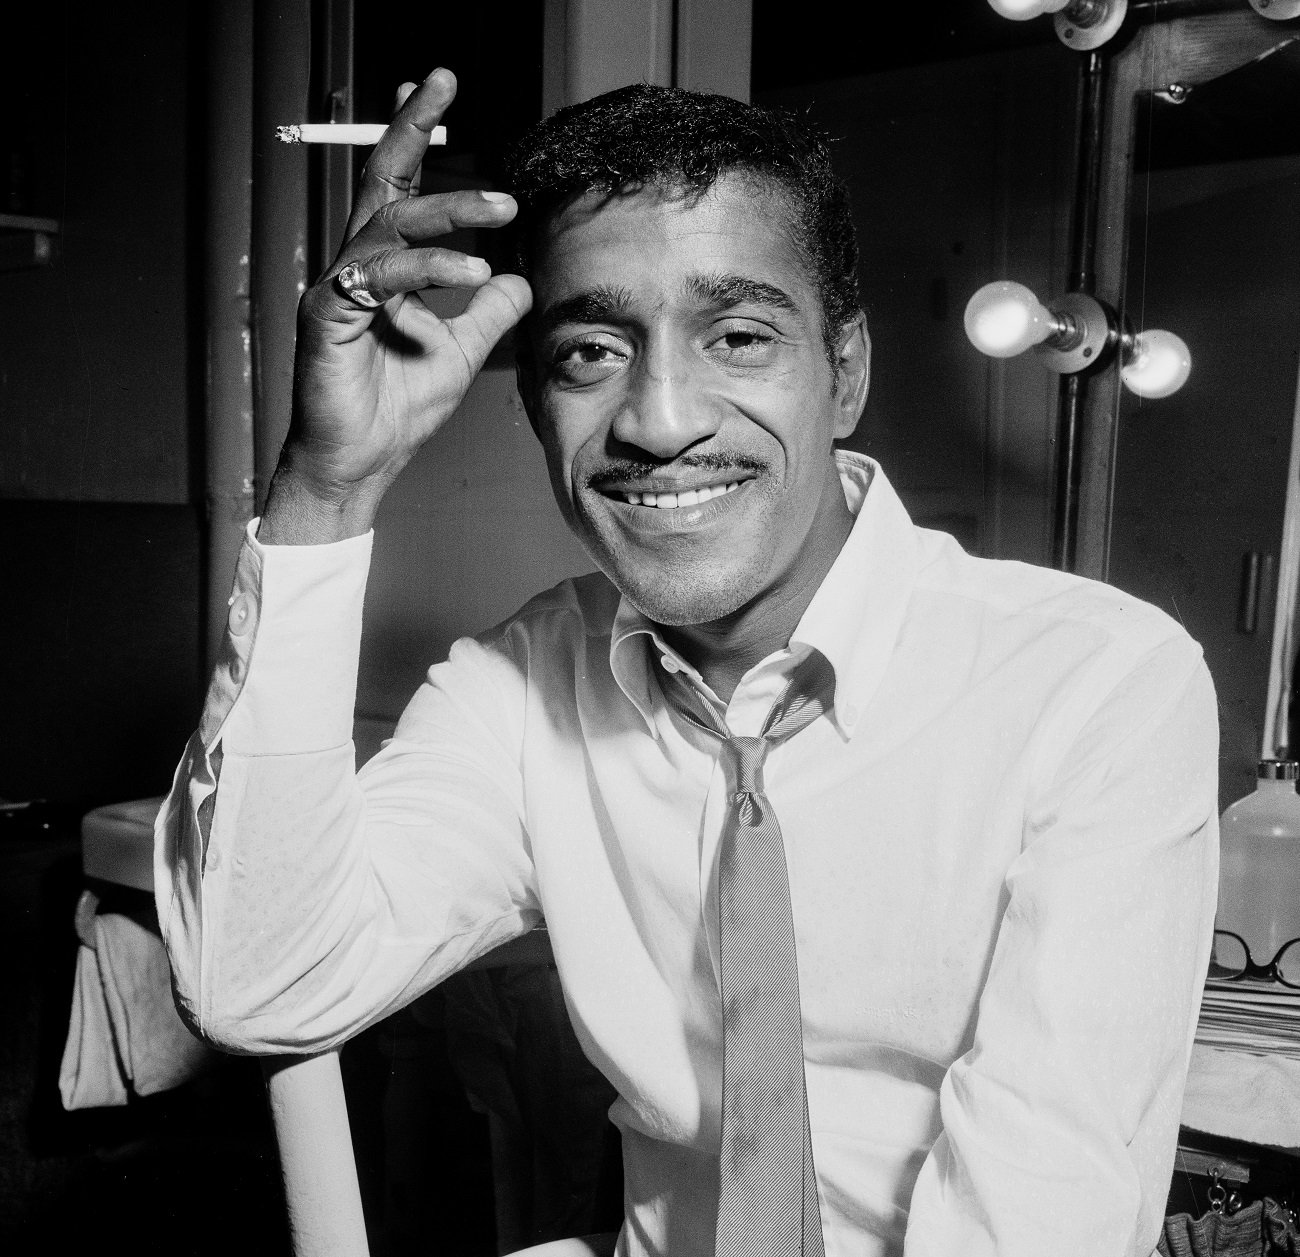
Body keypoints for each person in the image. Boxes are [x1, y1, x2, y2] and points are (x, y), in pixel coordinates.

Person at [156, 68, 1219, 1256]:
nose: (659, 419)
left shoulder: (1100, 684)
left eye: (740, 335)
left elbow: (1037, 1226)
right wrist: (325, 485)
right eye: (591, 353)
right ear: (532, 410)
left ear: (846, 371)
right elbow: (259, 985)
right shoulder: (524, 684)